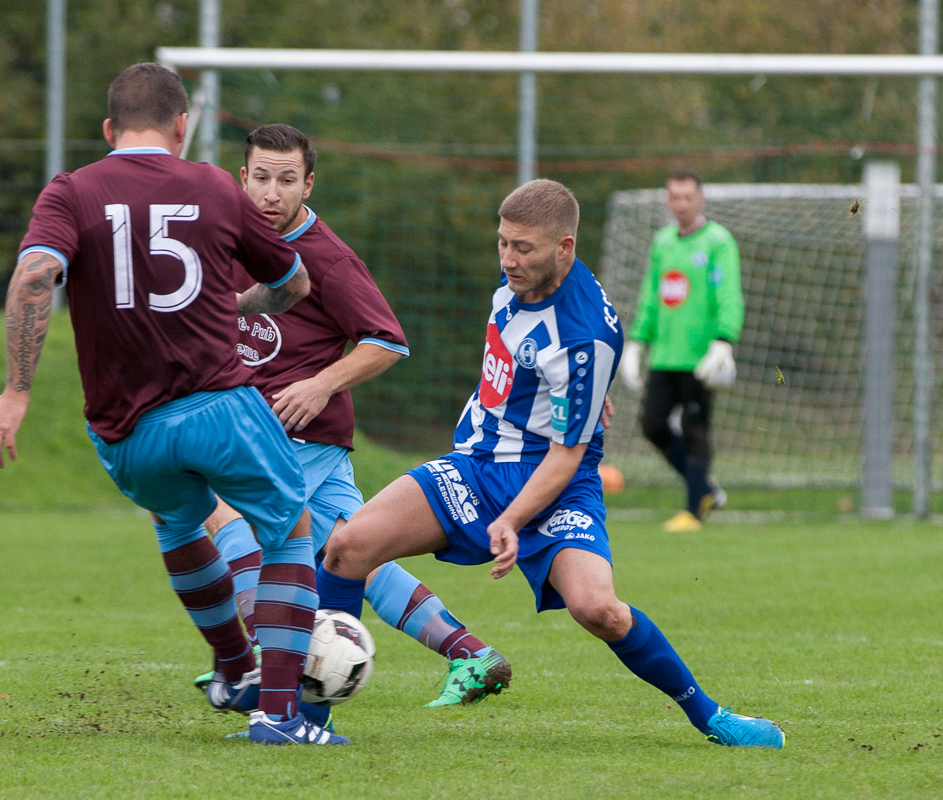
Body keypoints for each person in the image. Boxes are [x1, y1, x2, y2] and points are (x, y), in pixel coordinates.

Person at [313, 179, 785, 749]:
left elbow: (567, 454)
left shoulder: (585, 336)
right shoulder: (520, 284)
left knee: (599, 610)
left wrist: (512, 519)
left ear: (564, 247)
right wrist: (578, 398)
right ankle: (310, 722)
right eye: (502, 243)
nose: (508, 259)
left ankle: (712, 717)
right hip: (477, 465)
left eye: (523, 248)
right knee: (348, 546)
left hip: (555, 483)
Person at [0, 63, 347, 746]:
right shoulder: (213, 185)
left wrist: (17, 392)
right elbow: (294, 283)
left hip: (125, 432)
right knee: (289, 528)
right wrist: (238, 306)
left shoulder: (70, 190)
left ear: (108, 129)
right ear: (181, 126)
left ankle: (234, 668)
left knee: (176, 520)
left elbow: (34, 276)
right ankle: (279, 717)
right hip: (218, 408)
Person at [191, 123, 510, 708]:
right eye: (261, 178)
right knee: (349, 552)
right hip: (262, 430)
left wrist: (320, 384)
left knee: (215, 509)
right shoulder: (228, 242)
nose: (271, 193)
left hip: (297, 435)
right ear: (243, 178)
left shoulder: (329, 260)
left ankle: (260, 661)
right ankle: (470, 653)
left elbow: (387, 341)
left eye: (287, 180)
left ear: (308, 184)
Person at [619, 170, 743, 533]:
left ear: (700, 199)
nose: (682, 204)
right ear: (667, 200)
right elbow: (651, 295)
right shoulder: (662, 242)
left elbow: (729, 294)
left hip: (701, 357)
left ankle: (694, 510)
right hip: (665, 354)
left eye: (688, 197)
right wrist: (636, 341)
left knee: (695, 428)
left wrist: (724, 340)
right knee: (652, 424)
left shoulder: (718, 241)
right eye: (675, 197)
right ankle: (704, 488)